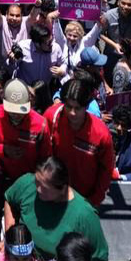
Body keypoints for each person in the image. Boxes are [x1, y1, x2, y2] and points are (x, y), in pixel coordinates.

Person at [1, 157, 109, 261]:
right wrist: (11, 239)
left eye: (44, 188)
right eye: (37, 182)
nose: (37, 189)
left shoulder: (84, 216)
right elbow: (10, 199)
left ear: (63, 188)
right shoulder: (27, 183)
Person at [45, 71, 116, 207]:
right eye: (68, 106)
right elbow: (42, 152)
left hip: (84, 199)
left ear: (86, 106)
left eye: (77, 108)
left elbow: (106, 169)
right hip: (54, 192)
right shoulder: (51, 116)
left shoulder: (101, 133)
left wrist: (94, 200)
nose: (72, 112)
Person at [0, 79, 52, 185]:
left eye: (20, 110)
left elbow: (46, 158)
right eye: (11, 110)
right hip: (0, 177)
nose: (16, 114)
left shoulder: (41, 124)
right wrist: (3, 150)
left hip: (29, 181)